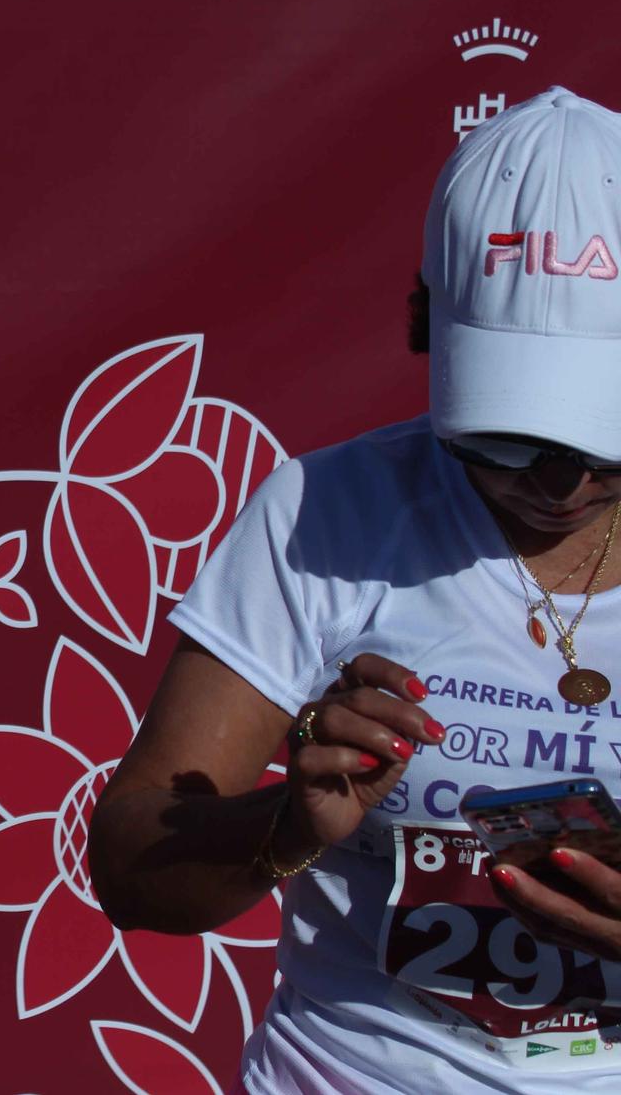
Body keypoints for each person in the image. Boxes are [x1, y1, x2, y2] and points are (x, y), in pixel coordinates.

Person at [89, 86, 621, 1092]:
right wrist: (283, 827)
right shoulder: (327, 510)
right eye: (508, 433)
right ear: (431, 332)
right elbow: (128, 864)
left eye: (607, 435)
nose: (562, 482)